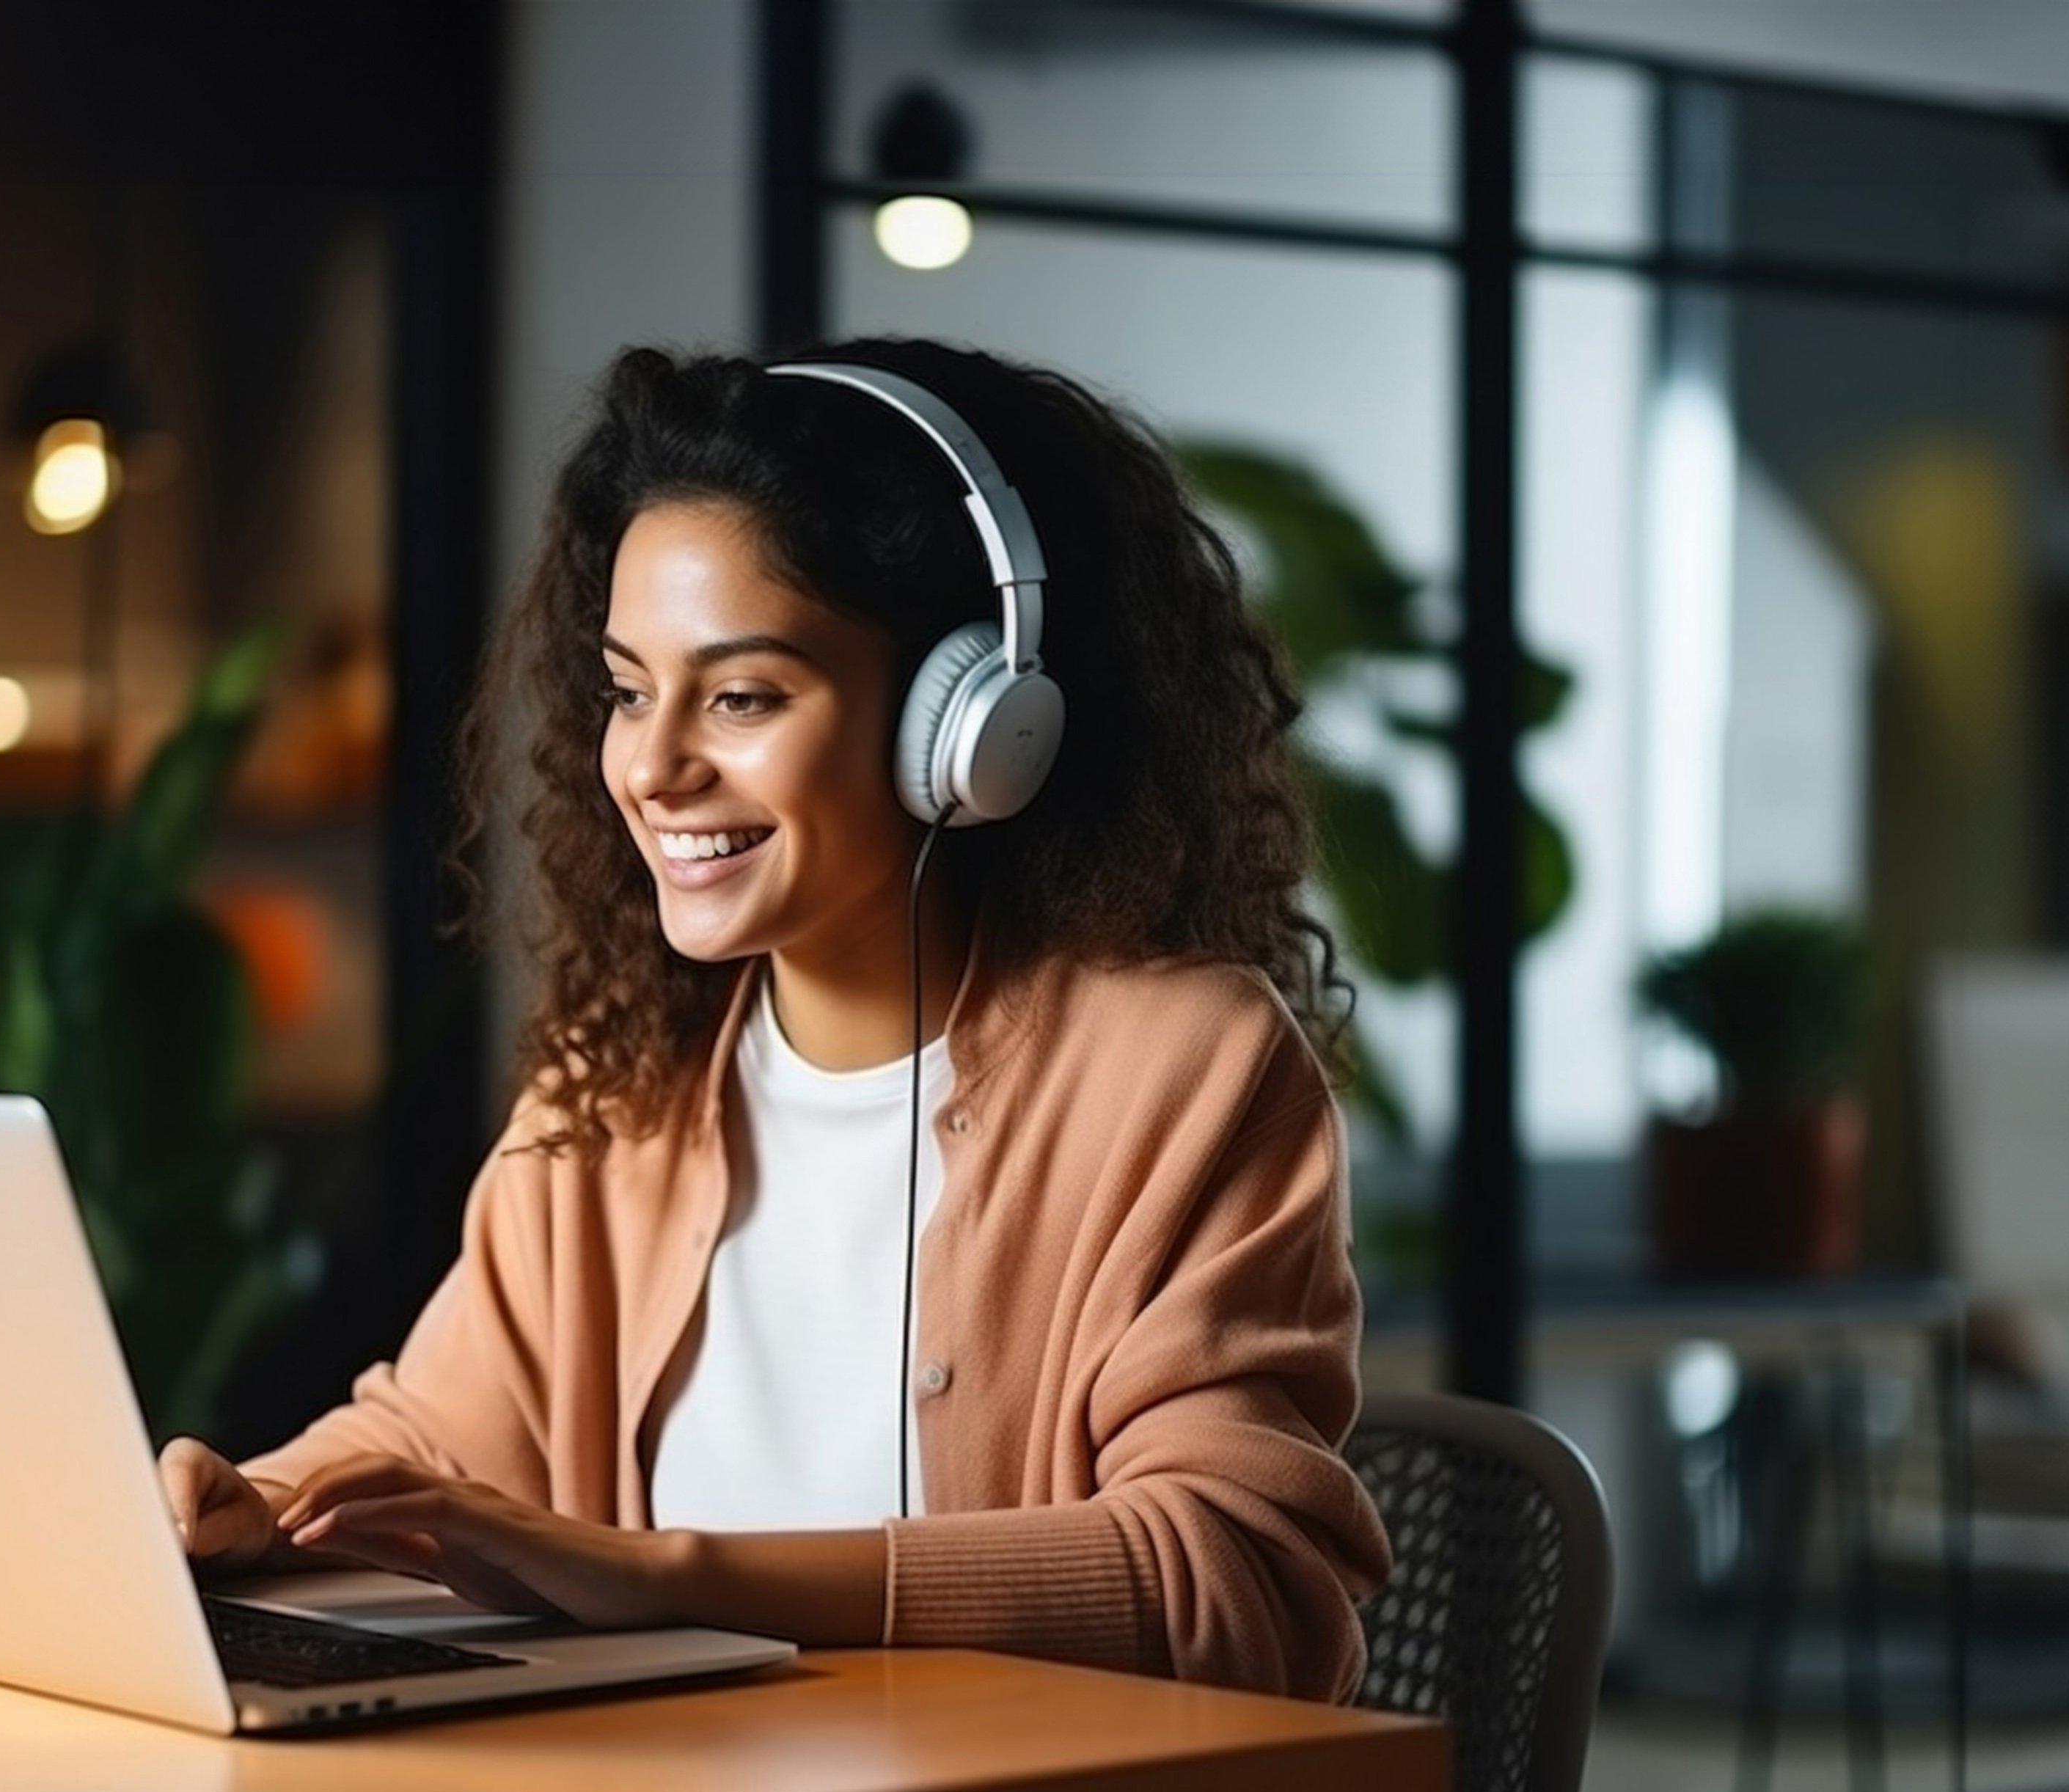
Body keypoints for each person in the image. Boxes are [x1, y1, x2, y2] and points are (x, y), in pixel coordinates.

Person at [159, 337, 1391, 1702]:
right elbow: (442, 1441)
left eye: (742, 697)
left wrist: (667, 1575)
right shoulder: (619, 1089)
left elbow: (1246, 1587)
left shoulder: (1182, 1070)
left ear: (971, 727)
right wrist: (251, 1505)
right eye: (630, 690)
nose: (655, 765)